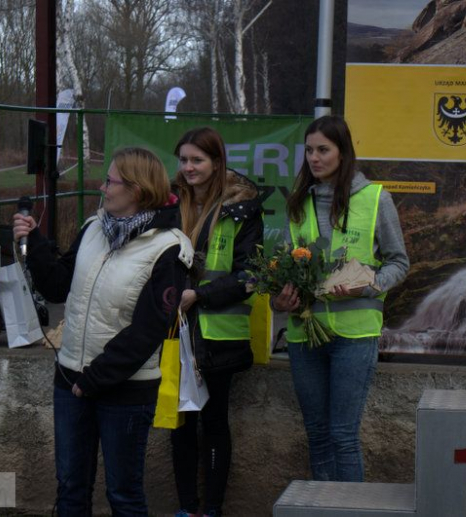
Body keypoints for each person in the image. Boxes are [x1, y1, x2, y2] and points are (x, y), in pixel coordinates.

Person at [13, 147, 192, 517]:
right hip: (70, 382)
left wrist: (94, 379)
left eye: (110, 181)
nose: (103, 188)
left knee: (123, 496)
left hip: (124, 391)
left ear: (137, 190)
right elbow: (59, 286)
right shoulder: (94, 227)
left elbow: (148, 331)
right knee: (71, 489)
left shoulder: (170, 248)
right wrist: (36, 245)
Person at [272, 115, 409, 482]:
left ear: (343, 152)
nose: (314, 158)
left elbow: (399, 262)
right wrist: (279, 299)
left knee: (342, 436)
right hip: (304, 334)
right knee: (317, 436)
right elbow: (283, 268)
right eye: (309, 151)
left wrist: (369, 286)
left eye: (323, 150)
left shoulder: (375, 198)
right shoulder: (298, 203)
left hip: (355, 335)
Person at [171, 127, 264, 517]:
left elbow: (250, 276)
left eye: (198, 160)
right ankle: (185, 509)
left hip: (218, 335)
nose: (189, 167)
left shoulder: (242, 207)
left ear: (216, 162)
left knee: (213, 422)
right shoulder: (170, 203)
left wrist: (199, 295)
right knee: (178, 425)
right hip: (174, 332)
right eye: (184, 160)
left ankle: (211, 509)